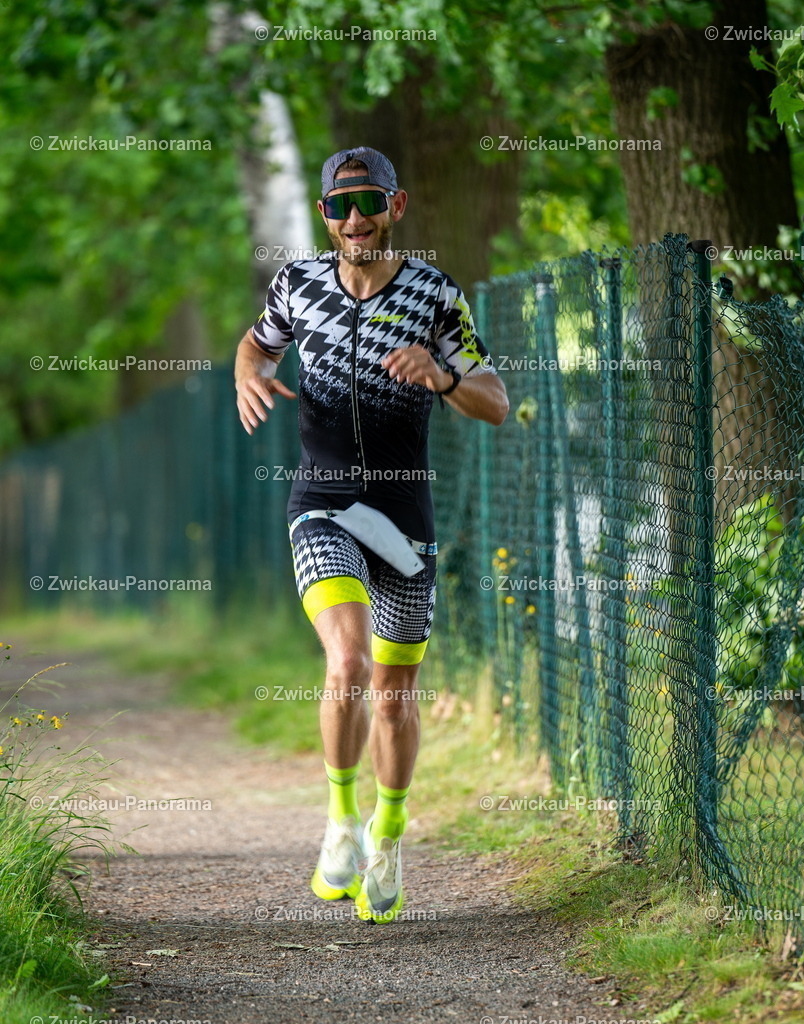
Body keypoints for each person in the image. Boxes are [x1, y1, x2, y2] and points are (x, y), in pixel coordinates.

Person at [234, 147, 508, 923]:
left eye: (368, 202)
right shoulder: (297, 284)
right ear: (324, 214)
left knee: (392, 698)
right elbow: (257, 342)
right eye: (339, 205)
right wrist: (246, 373)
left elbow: (495, 401)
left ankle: (388, 835)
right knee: (348, 660)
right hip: (321, 502)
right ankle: (341, 822)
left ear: (397, 205)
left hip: (403, 515)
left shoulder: (435, 294)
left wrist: (443, 377)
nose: (354, 219)